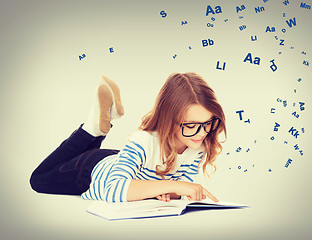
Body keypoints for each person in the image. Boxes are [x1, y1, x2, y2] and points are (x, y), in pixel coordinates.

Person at [30, 72, 226, 203]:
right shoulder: (144, 141)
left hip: (121, 160)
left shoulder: (197, 146)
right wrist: (169, 186)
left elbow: (179, 192)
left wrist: (167, 191)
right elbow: (113, 189)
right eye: (191, 126)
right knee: (38, 179)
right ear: (168, 119)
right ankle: (91, 130)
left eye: (208, 122)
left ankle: (100, 124)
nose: (202, 133)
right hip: (91, 171)